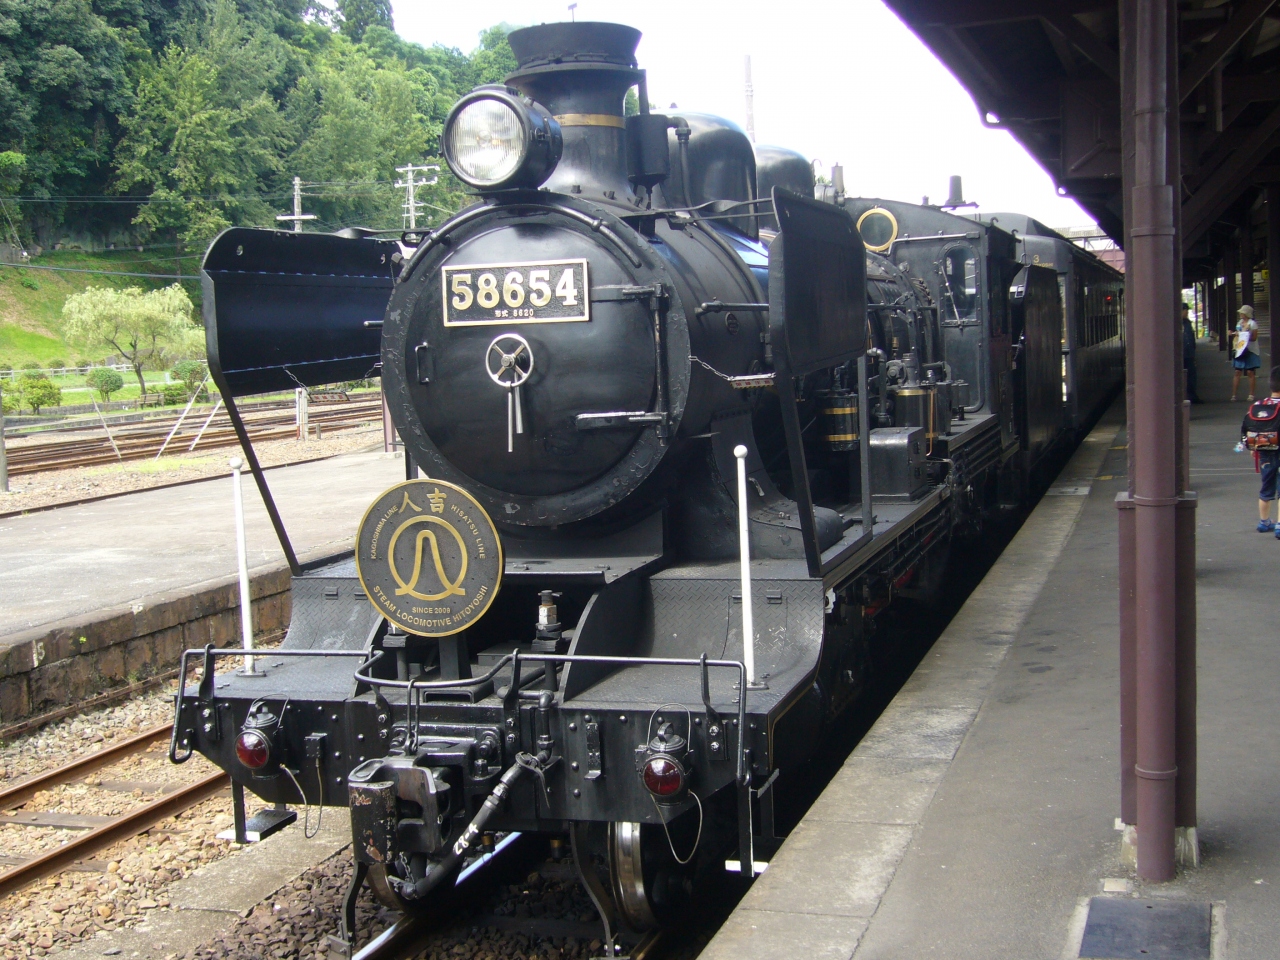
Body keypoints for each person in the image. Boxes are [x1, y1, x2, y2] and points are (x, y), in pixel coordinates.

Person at [1242, 366, 1280, 533]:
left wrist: (1253, 447)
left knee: (1266, 486)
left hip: (1264, 450)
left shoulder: (1258, 405)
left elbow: (1248, 428)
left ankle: (1264, 522)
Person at [1231, 304, 1261, 402]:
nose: (1240, 314)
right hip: (1240, 349)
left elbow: (1254, 338)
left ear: (1246, 313)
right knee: (1237, 372)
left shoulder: (1252, 324)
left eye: (1242, 312)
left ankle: (1251, 394)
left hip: (1250, 350)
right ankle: (1234, 394)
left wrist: (1244, 335)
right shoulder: (1239, 323)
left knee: (1250, 372)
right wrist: (1236, 334)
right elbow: (1238, 334)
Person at [1183, 304, 1203, 403]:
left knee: (1192, 375)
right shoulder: (1175, 323)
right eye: (1185, 310)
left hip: (1189, 353)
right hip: (1181, 353)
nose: (1187, 312)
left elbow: (1191, 338)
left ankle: (1192, 396)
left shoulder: (1187, 323)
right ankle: (1184, 396)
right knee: (1183, 375)